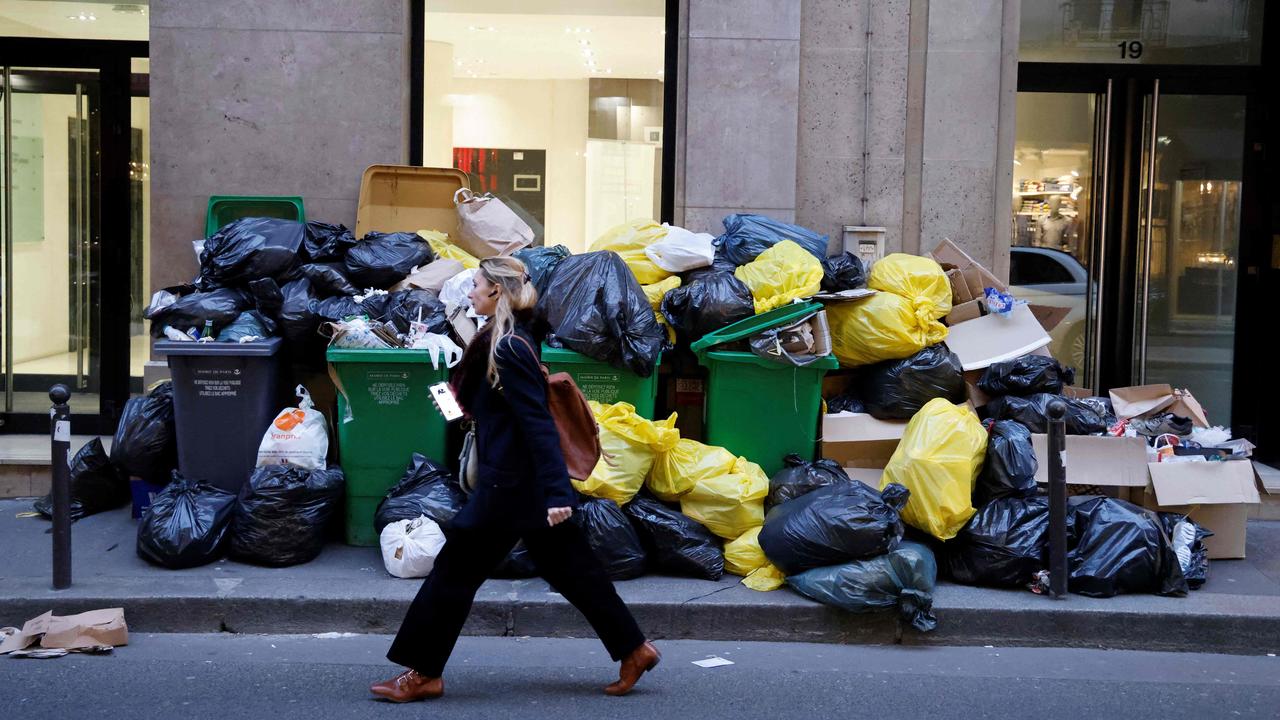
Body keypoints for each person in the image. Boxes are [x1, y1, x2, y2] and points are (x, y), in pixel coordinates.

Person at [371, 256, 660, 702]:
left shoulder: (508, 347)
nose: (469, 294)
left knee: (452, 572)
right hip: (517, 485)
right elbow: (493, 411)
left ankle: (424, 673)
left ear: (497, 293)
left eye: (476, 286)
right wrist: (454, 405)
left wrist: (556, 493)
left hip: (509, 487)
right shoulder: (505, 341)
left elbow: (537, 423)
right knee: (571, 568)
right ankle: (633, 649)